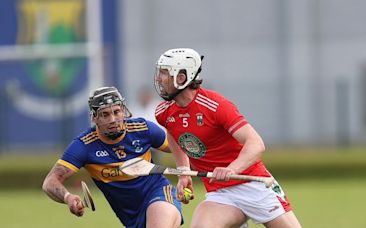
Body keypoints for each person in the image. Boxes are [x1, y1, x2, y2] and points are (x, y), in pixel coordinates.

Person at [154, 48, 302, 228]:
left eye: (165, 73)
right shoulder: (164, 112)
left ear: (182, 77)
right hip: (220, 193)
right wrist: (184, 170)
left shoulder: (216, 105)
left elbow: (256, 144)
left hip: (254, 185)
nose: (159, 78)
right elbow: (173, 132)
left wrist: (231, 169)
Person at [42, 86, 183, 228]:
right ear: (94, 117)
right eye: (105, 115)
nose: (113, 119)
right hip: (130, 217)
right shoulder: (84, 145)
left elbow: (180, 147)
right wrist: (68, 197)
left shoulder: (144, 129)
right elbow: (50, 181)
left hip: (159, 193)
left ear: (123, 111)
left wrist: (186, 173)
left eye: (116, 112)